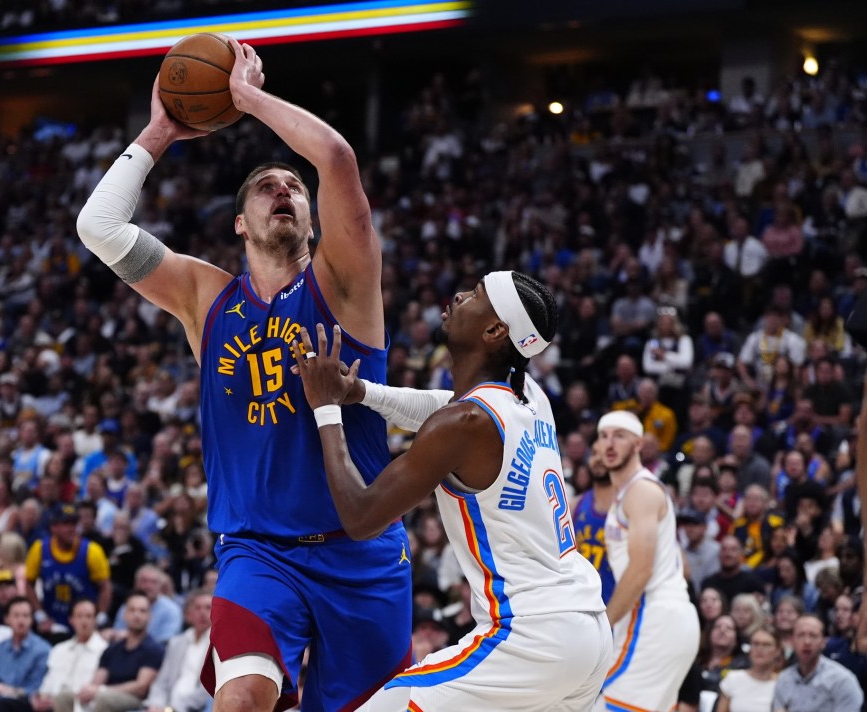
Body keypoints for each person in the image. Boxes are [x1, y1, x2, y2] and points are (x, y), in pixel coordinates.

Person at [75, 38, 410, 712]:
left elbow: (336, 158)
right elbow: (98, 226)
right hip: (257, 554)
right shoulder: (206, 297)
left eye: (294, 187)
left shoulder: (345, 283)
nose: (283, 190)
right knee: (243, 699)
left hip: (360, 552)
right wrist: (160, 131)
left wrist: (247, 99)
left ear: (312, 220)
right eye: (266, 186)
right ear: (239, 223)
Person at [292, 271, 611, 709]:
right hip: (588, 631)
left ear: (495, 331)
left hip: (532, 633)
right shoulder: (528, 397)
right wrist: (361, 391)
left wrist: (326, 406)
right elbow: (442, 407)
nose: (460, 295)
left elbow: (361, 517)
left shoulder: (466, 424)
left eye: (476, 295)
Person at [593, 410, 699, 712]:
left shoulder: (641, 490)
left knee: (602, 704)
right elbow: (680, 564)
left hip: (653, 617)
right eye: (603, 436)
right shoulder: (630, 492)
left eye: (620, 436)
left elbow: (641, 570)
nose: (609, 444)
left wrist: (603, 625)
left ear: (638, 444)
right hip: (664, 617)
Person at [25, 504, 112, 634]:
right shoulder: (39, 549)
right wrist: (40, 615)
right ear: (54, 527)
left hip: (84, 625)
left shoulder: (92, 551)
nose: (72, 529)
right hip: (53, 624)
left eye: (74, 524)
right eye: (66, 524)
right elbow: (28, 583)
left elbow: (105, 586)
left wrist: (100, 617)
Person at [773, 614, 862, 712]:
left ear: (823, 642)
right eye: (801, 635)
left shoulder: (842, 680)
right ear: (792, 641)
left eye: (813, 636)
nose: (807, 642)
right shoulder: (784, 679)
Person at [142, 591, 214, 712]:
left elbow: (208, 690)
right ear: (189, 614)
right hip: (166, 706)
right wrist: (156, 705)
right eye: (197, 608)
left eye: (208, 608)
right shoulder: (176, 643)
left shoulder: (218, 646)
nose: (202, 613)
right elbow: (161, 682)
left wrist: (174, 708)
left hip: (197, 708)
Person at [31, 599, 107, 712]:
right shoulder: (59, 649)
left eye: (89, 616)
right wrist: (40, 697)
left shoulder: (106, 651)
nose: (84, 621)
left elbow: (103, 690)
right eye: (79, 616)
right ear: (71, 620)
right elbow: (47, 684)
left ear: (96, 620)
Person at [572, 450, 616, 603]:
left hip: (618, 601)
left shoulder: (630, 505)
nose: (598, 459)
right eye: (595, 453)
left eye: (605, 454)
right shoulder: (575, 504)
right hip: (582, 600)